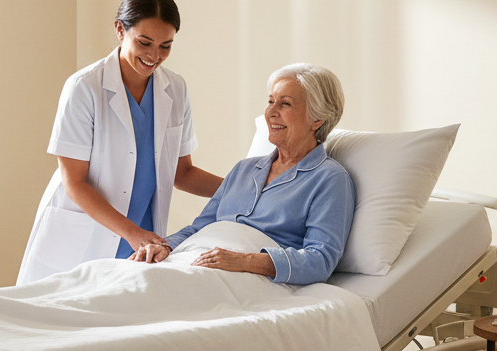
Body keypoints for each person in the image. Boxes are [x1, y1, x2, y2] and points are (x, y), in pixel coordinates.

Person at [16, 0, 222, 286]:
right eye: (144, 42)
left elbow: (183, 173)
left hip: (143, 238)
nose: (154, 56)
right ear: (120, 30)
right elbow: (74, 183)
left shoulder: (175, 89)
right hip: (88, 237)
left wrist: (243, 189)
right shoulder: (84, 88)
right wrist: (133, 233)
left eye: (165, 46)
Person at [130, 64, 353, 285]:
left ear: (317, 119)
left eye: (285, 104)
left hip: (247, 278)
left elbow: (320, 260)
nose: (271, 112)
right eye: (270, 102)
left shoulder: (330, 179)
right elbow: (198, 228)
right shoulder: (243, 169)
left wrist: (244, 261)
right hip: (196, 259)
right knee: (128, 278)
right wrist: (164, 246)